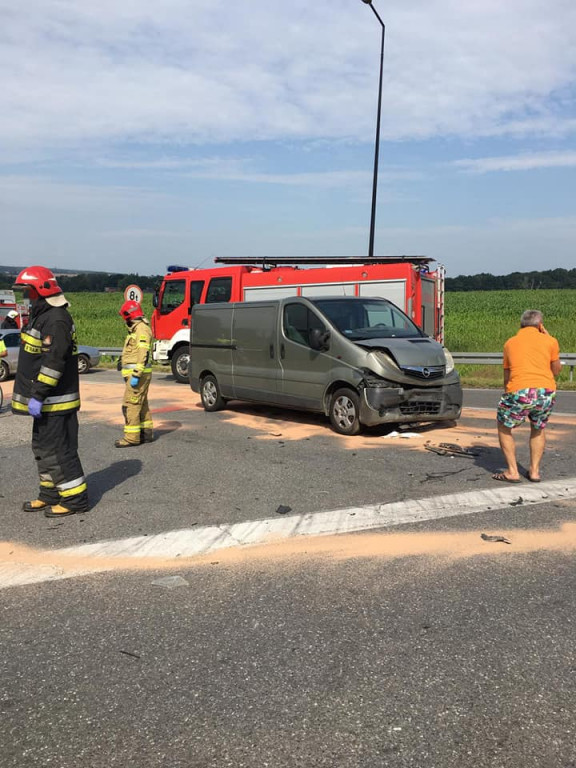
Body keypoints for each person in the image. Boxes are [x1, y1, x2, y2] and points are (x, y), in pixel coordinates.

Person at [11, 266, 89, 517]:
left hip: (55, 401)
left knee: (59, 450)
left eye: (28, 292)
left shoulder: (56, 319)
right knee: (42, 449)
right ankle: (50, 493)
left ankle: (75, 499)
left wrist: (39, 395)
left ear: (42, 291)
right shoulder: (41, 315)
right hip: (45, 402)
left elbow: (53, 363)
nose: (25, 298)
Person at [493, 309, 561, 484]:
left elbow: (507, 375)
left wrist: (507, 392)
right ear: (540, 325)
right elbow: (556, 371)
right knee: (538, 428)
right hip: (545, 391)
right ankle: (535, 472)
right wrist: (547, 336)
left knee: (504, 426)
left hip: (519, 390)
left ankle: (513, 471)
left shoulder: (510, 343)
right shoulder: (551, 341)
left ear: (521, 325)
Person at [116, 300, 154, 447]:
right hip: (135, 374)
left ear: (128, 315)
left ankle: (132, 437)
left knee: (130, 404)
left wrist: (136, 374)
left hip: (137, 376)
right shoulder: (137, 329)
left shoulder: (141, 330)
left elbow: (142, 353)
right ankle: (146, 433)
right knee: (141, 403)